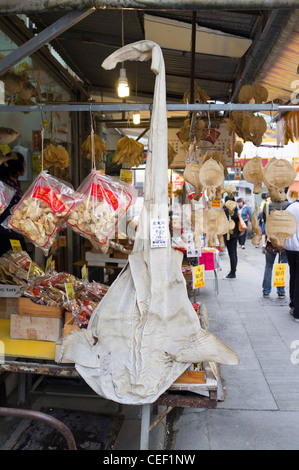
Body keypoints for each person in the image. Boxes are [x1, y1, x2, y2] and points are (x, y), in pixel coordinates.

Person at [262, 191, 289, 299]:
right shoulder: (289, 205)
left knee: (268, 266)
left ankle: (266, 291)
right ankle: (281, 291)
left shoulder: (268, 205)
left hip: (271, 240)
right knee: (281, 266)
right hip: (284, 241)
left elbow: (264, 219)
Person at [0, 152, 26, 257]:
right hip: (5, 235)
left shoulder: (15, 182)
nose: (25, 165)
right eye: (23, 162)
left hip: (15, 232)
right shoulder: (4, 184)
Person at [285, 199, 299, 322]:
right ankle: (297, 312)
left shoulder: (290, 207)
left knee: (293, 275)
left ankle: (293, 305)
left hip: (290, 247)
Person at [223, 196, 239, 279]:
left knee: (232, 253)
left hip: (229, 235)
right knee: (234, 253)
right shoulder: (235, 210)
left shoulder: (226, 211)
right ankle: (233, 271)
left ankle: (233, 273)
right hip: (235, 234)